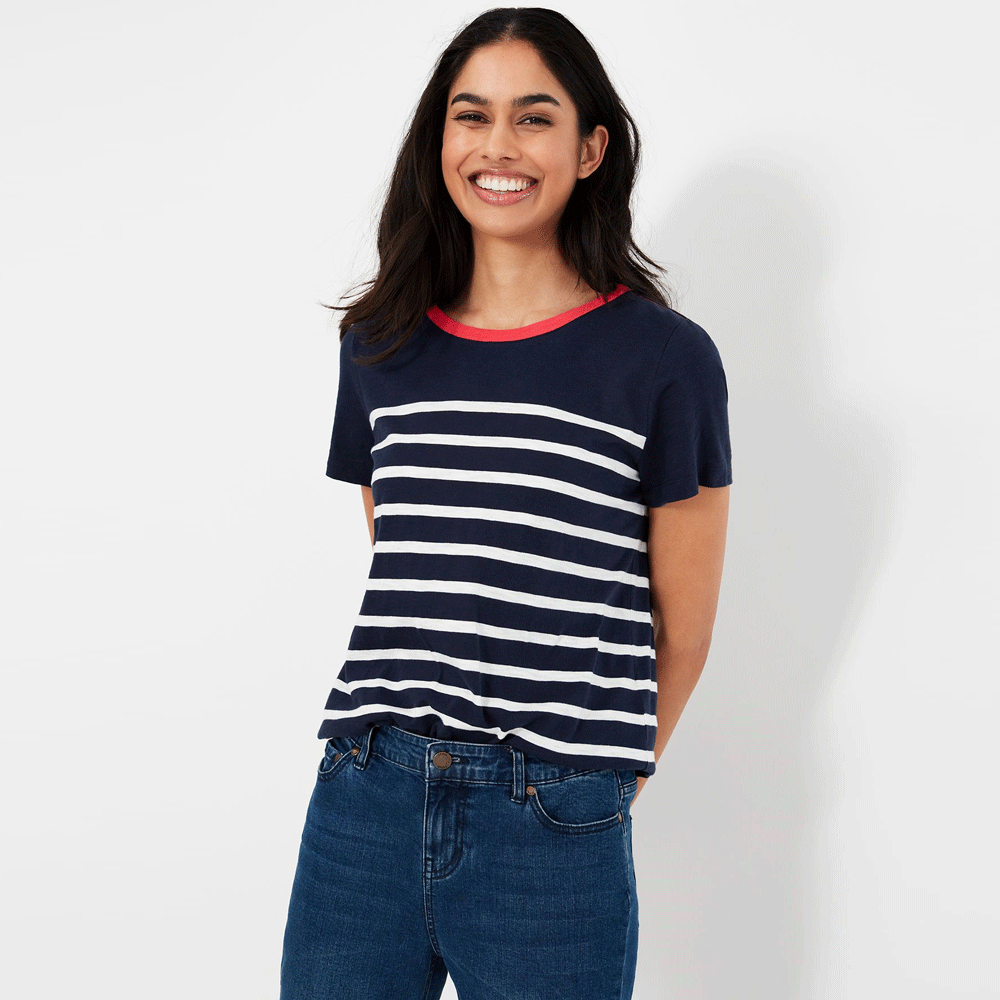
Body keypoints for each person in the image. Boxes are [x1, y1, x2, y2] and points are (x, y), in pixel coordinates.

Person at [279, 8, 732, 1000]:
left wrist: (596, 784)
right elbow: (410, 556)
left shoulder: (664, 360)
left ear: (590, 149)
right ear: (439, 137)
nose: (497, 146)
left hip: (552, 816)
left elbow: (686, 630)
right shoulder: (381, 343)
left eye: (534, 117)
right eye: (471, 115)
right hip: (366, 798)